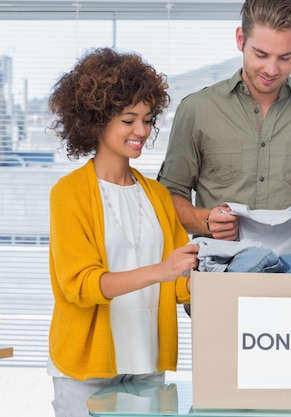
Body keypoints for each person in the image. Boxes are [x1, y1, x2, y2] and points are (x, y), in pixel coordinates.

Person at [46, 47, 199, 417]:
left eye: (148, 119)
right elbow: (81, 286)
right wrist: (162, 270)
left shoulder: (158, 195)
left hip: (147, 362)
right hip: (86, 372)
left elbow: (179, 283)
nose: (142, 131)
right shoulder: (68, 194)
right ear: (96, 121)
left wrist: (215, 271)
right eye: (129, 120)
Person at [157, 0, 291, 254]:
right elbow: (170, 194)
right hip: (217, 276)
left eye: (285, 57)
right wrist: (205, 220)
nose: (272, 69)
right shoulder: (196, 110)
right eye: (261, 54)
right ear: (240, 39)